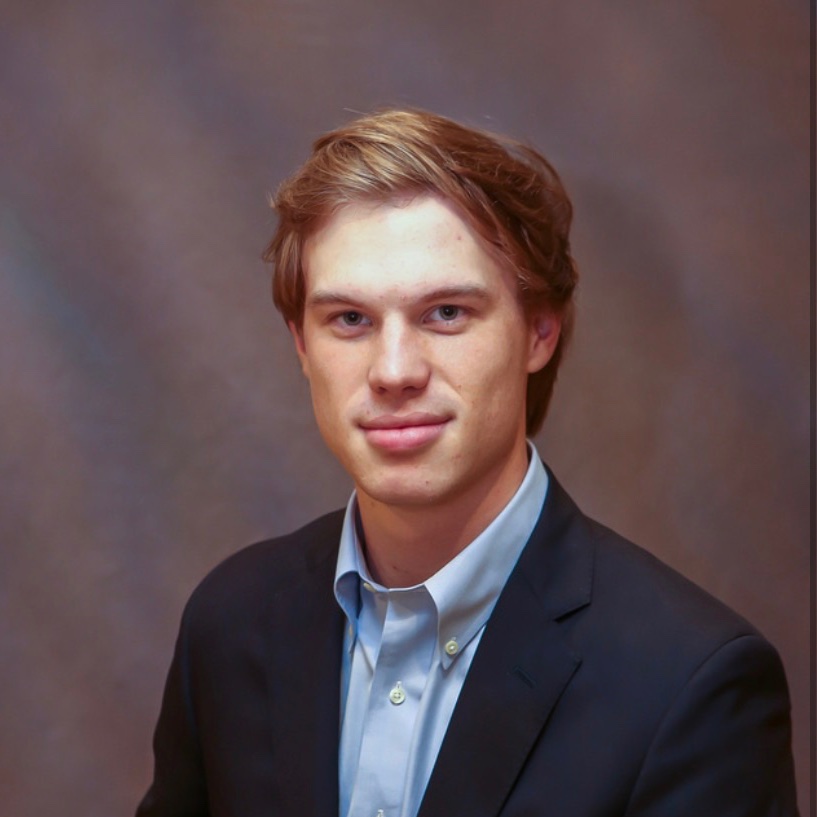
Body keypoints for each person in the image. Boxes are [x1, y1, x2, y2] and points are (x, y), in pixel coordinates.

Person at [136, 109, 798, 817]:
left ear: (539, 331)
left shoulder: (690, 683)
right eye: (349, 320)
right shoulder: (229, 623)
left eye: (446, 312)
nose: (393, 371)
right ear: (301, 344)